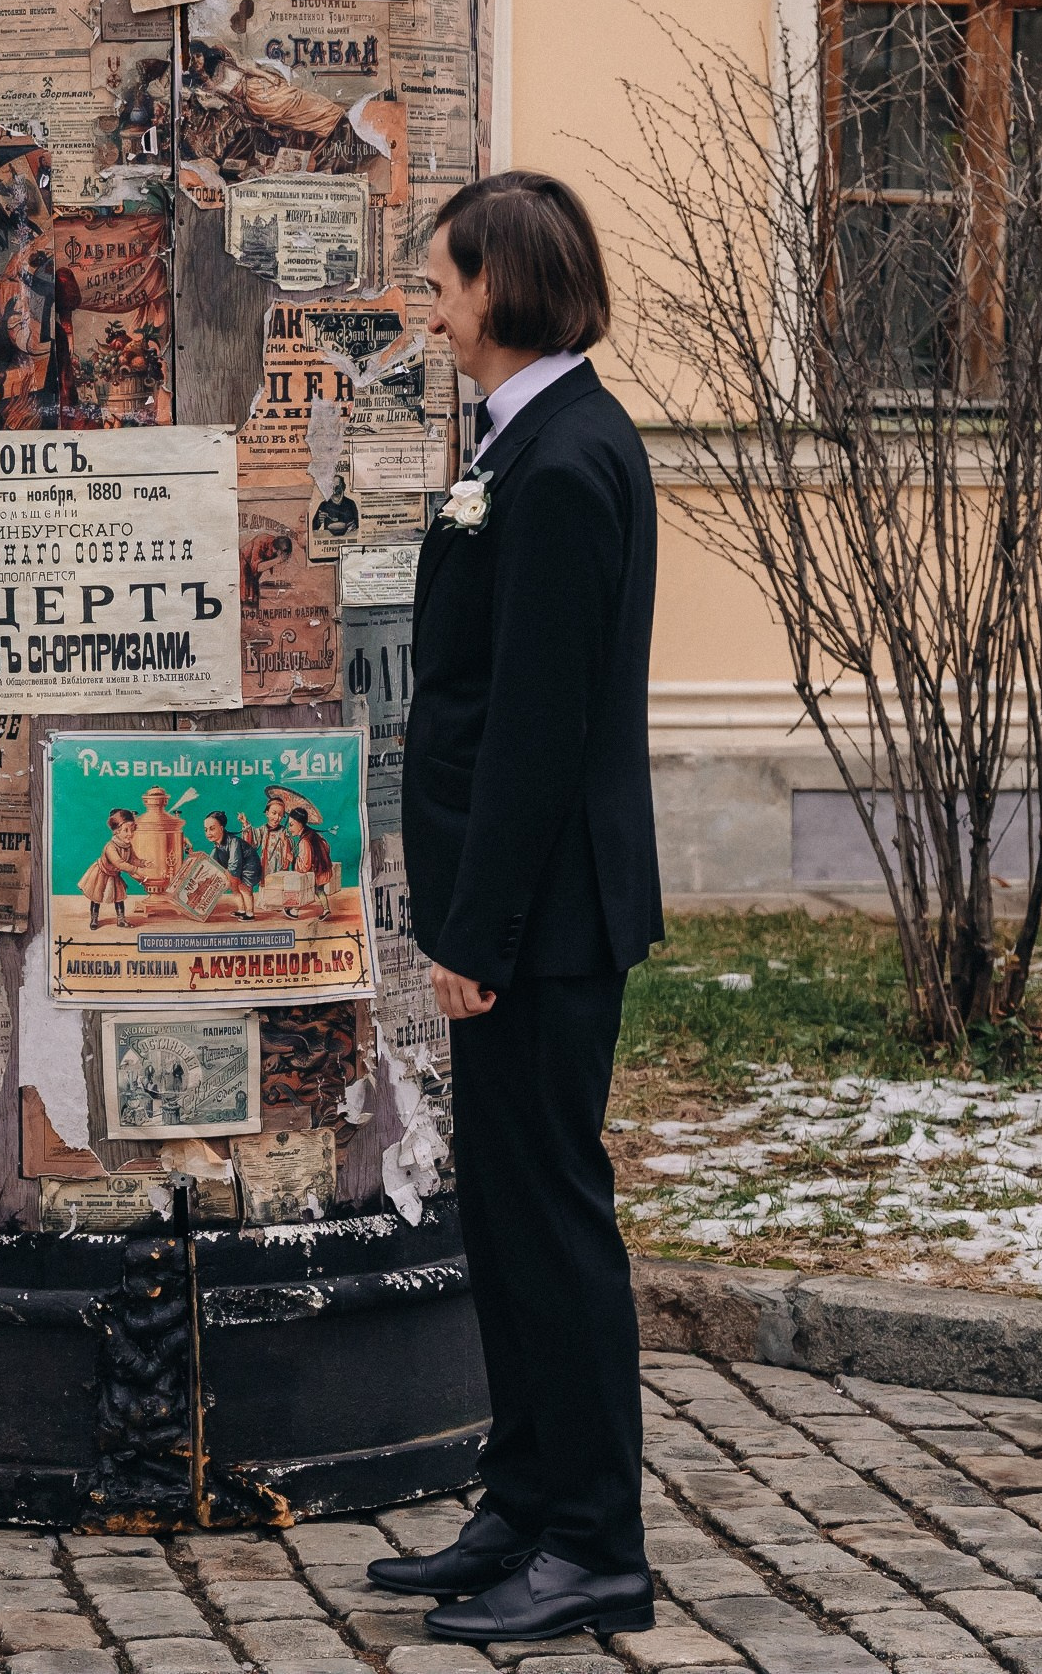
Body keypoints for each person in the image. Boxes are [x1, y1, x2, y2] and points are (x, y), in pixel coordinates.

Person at [368, 171, 663, 1642]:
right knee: (505, 1212)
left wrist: (475, 936)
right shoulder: (519, 437)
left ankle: (598, 1536)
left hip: (541, 920)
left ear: (504, 287)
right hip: (509, 912)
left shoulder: (560, 462)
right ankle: (525, 1494)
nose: (430, 300)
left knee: (553, 1220)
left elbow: (541, 730)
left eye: (443, 279)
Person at [79, 808, 148, 929]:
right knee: (97, 897)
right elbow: (120, 863)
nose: (130, 834)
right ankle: (94, 919)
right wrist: (136, 870)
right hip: (101, 873)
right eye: (126, 830)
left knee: (119, 898)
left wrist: (142, 863)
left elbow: (132, 859)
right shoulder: (110, 847)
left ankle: (121, 920)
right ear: (116, 831)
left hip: (114, 875)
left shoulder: (127, 846)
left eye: (132, 830)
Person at [197, 810, 263, 920]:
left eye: (212, 829)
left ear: (222, 828)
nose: (208, 832)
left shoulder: (233, 841)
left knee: (244, 888)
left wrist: (229, 876)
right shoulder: (217, 845)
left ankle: (250, 913)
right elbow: (212, 861)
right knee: (234, 888)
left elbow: (234, 862)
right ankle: (242, 910)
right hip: (237, 868)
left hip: (249, 866)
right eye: (206, 830)